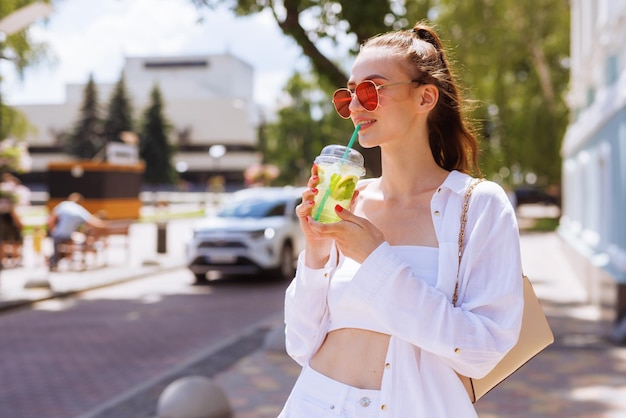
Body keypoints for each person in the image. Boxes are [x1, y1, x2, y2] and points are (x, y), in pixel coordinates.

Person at [280, 21, 524, 417]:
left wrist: (377, 259)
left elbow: (482, 351)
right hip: (315, 403)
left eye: (370, 90)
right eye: (348, 95)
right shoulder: (349, 201)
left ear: (425, 97)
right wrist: (317, 253)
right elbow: (301, 344)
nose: (356, 106)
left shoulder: (478, 206)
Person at [47, 192, 107, 271]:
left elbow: (52, 218)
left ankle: (54, 261)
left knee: (58, 244)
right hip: (68, 236)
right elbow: (92, 221)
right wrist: (106, 224)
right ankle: (67, 260)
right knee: (71, 241)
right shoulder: (79, 210)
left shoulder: (63, 205)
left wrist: (52, 229)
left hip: (58, 235)